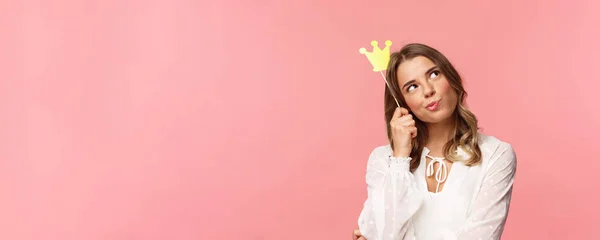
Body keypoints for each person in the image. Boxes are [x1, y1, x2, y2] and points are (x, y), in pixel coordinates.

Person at [352, 43, 517, 240]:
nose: (428, 90)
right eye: (412, 87)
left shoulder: (496, 154)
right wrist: (400, 158)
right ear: (403, 103)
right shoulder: (383, 160)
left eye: (433, 74)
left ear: (451, 78)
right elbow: (385, 234)